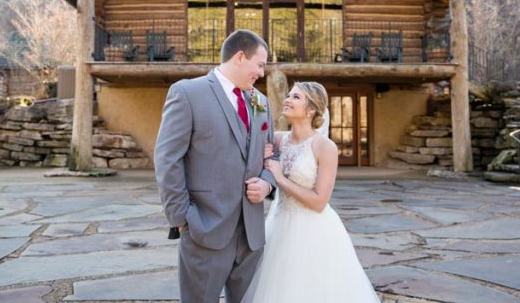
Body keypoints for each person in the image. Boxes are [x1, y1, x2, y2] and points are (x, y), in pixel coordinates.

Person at [154, 29, 276, 303]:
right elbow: (167, 159)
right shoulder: (187, 93)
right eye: (260, 65)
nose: (262, 73)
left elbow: (272, 156)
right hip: (204, 229)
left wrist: (268, 182)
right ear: (240, 57)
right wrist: (182, 218)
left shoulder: (261, 102)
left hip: (251, 236)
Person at [241, 81, 381, 303]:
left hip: (312, 230)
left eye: (296, 97)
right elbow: (245, 140)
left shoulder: (325, 147)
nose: (287, 100)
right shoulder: (277, 139)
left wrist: (279, 179)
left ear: (311, 109)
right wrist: (262, 154)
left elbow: (319, 202)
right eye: (289, 95)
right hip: (278, 224)